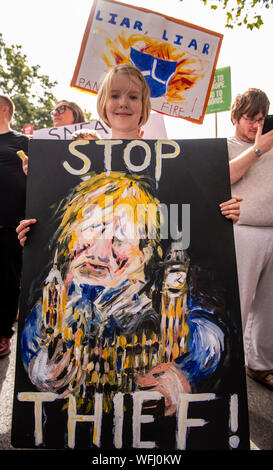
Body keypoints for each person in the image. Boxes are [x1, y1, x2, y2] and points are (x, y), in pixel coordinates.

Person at [16, 64, 242, 414]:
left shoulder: (174, 162)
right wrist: (33, 224)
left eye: (133, 96)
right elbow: (36, 329)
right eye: (116, 95)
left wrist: (221, 212)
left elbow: (206, 333)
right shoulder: (78, 157)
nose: (124, 103)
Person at [228, 88, 273, 391]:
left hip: (272, 228)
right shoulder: (226, 145)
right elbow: (223, 176)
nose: (256, 125)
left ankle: (260, 364)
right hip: (242, 229)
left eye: (261, 118)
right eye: (250, 118)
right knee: (239, 301)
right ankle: (227, 365)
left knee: (269, 307)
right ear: (235, 117)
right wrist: (258, 149)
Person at [0, 95, 29, 357]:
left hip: (10, 222)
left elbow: (37, 175)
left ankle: (3, 333)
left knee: (9, 279)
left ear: (4, 109)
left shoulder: (22, 141)